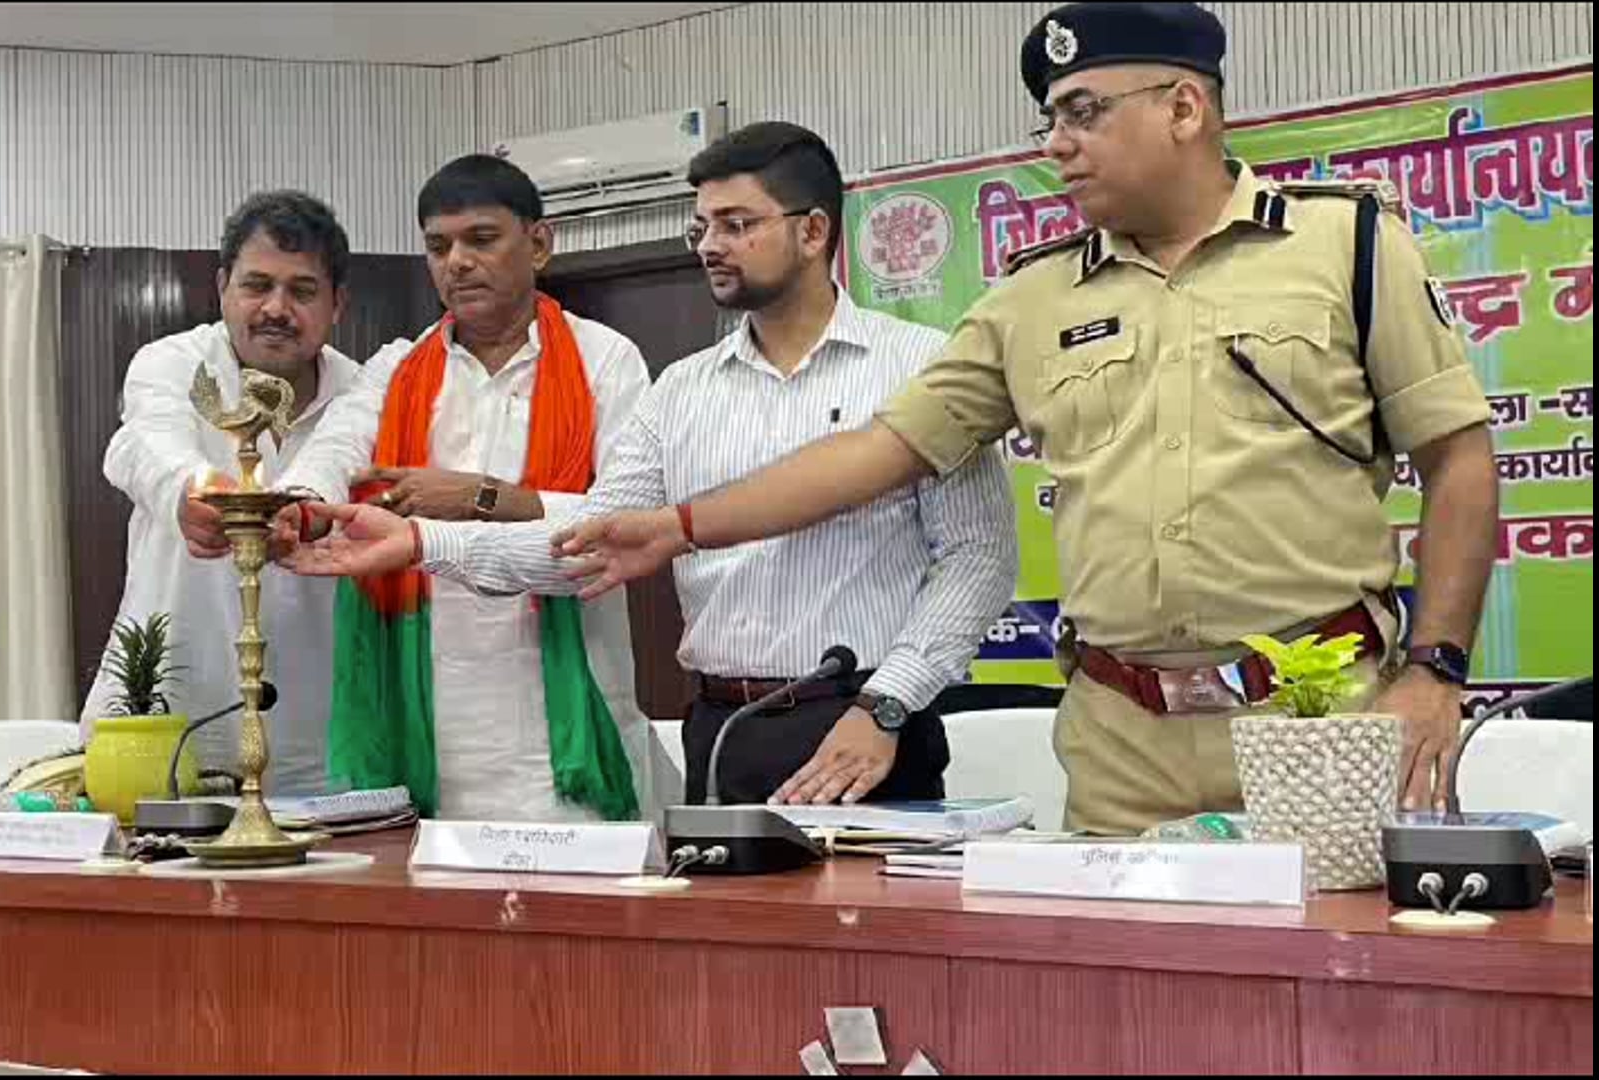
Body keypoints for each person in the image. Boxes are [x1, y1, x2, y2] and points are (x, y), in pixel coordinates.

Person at [545, 3, 1500, 835]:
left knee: (1337, 975)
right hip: (1122, 738)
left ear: (1184, 107)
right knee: (1119, 983)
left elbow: (1458, 460)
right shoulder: (1031, 300)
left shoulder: (1347, 245)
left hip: (1319, 715)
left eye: (1084, 112)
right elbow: (879, 452)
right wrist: (679, 527)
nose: (1057, 143)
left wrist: (1436, 671)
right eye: (1050, 119)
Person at [284, 123, 1018, 808]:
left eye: (737, 224)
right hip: (723, 728)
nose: (710, 246)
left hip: (867, 723)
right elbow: (594, 538)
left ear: (813, 231)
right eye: (702, 228)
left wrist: (888, 703)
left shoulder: (918, 366)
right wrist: (417, 542)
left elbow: (978, 558)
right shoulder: (684, 390)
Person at [200, 154, 653, 823]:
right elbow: (336, 449)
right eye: (439, 247)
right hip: (427, 729)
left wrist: (482, 498)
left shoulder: (606, 361)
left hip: (565, 733)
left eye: (481, 239)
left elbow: (628, 525)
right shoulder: (398, 367)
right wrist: (298, 507)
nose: (458, 263)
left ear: (538, 244)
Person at [84, 190, 362, 796]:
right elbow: (146, 445)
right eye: (256, 285)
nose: (276, 308)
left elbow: (338, 462)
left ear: (337, 303)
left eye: (302, 291)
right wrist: (190, 492)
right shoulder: (170, 363)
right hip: (160, 727)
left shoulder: (361, 393)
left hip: (311, 742)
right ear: (222, 287)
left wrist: (301, 512)